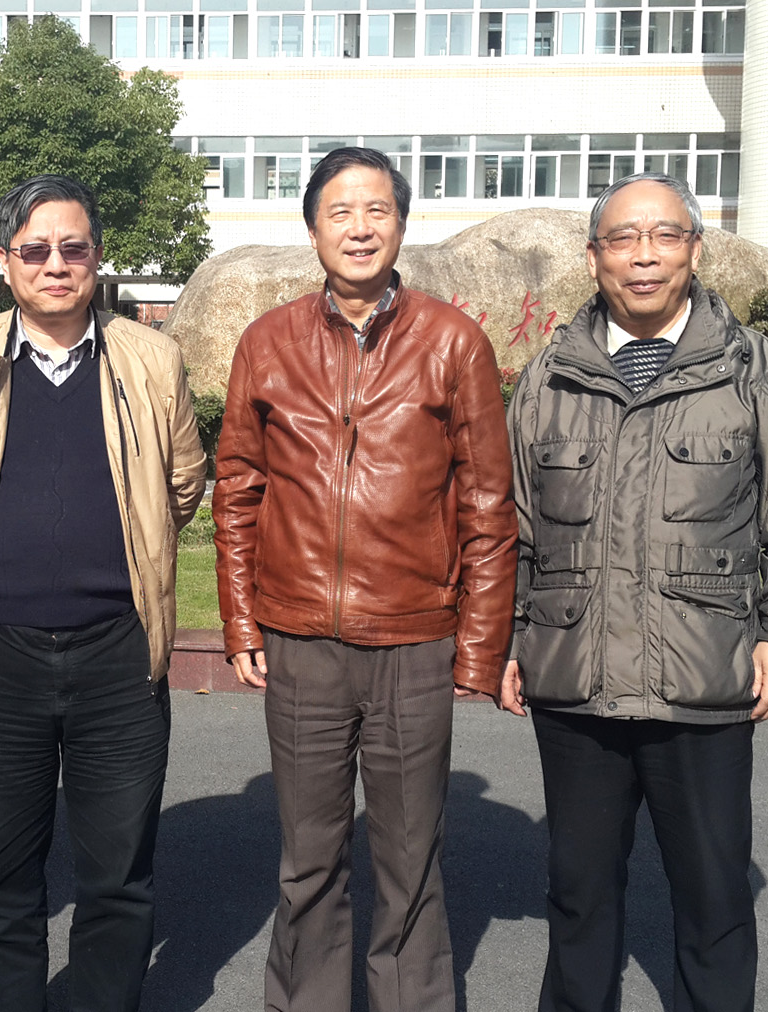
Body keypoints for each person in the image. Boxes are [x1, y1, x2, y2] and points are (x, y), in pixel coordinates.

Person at [502, 172, 768, 1012]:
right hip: (575, 681)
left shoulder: (752, 369)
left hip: (706, 680)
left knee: (714, 899)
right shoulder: (550, 375)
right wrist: (509, 638)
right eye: (623, 238)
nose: (644, 255)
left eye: (664, 235)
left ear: (694, 250)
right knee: (579, 898)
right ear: (594, 257)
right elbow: (514, 526)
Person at [213, 147, 518, 1012]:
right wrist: (241, 622)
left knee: (410, 864)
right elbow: (237, 488)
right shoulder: (267, 341)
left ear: (402, 224)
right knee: (308, 861)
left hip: (414, 641)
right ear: (313, 229)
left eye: (377, 210)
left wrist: (478, 649)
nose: (359, 227)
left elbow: (488, 504)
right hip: (300, 640)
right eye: (340, 212)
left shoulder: (453, 341)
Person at [0, 174, 207, 1012]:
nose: (55, 265)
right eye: (35, 249)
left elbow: (182, 481)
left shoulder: (151, 359)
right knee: (1, 880)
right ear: (5, 261)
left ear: (97, 257)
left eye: (72, 248)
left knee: (117, 879)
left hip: (120, 654)